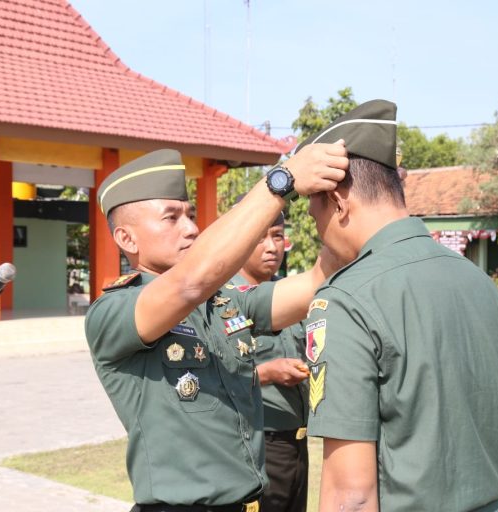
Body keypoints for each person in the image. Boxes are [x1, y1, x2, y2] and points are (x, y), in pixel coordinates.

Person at [84, 144, 348, 512]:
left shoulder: (222, 302)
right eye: (171, 218)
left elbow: (315, 283)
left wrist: (341, 208)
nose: (191, 229)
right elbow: (188, 283)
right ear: (127, 239)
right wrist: (281, 181)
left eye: (190, 215)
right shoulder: (113, 311)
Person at [299, 100, 498, 512]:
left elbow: (352, 495)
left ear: (339, 201)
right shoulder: (483, 285)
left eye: (316, 217)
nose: (321, 235)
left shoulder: (346, 299)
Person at [230, 196, 309, 512]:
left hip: (297, 444)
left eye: (277, 235)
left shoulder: (290, 296)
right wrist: (267, 373)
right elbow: (209, 376)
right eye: (260, 236)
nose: (271, 246)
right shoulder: (224, 302)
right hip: (257, 444)